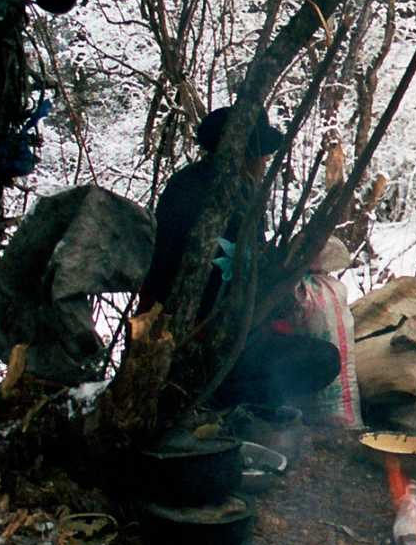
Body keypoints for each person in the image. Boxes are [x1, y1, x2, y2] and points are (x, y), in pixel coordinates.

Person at [138, 105, 336, 411]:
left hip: (214, 329)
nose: (266, 160)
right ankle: (217, 401)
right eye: (261, 153)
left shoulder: (212, 185)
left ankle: (223, 398)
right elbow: (213, 282)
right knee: (322, 360)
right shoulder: (206, 196)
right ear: (244, 153)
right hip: (197, 337)